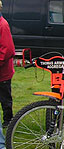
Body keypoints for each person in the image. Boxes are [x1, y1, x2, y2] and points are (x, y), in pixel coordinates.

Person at [0, 0, 15, 128]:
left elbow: (8, 50)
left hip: (3, 72)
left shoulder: (3, 25)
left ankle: (8, 121)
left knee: (5, 98)